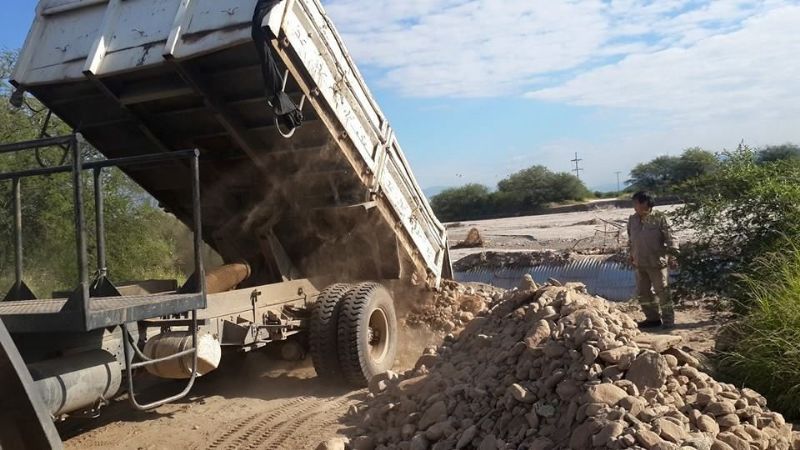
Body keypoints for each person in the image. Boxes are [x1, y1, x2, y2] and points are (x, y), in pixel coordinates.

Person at [627, 191, 679, 329]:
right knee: (643, 293)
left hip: (656, 263)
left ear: (645, 203)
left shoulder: (660, 218)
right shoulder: (632, 219)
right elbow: (631, 239)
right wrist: (631, 255)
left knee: (662, 292)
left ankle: (668, 321)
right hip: (639, 263)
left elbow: (671, 238)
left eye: (636, 203)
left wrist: (673, 256)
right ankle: (652, 318)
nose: (634, 206)